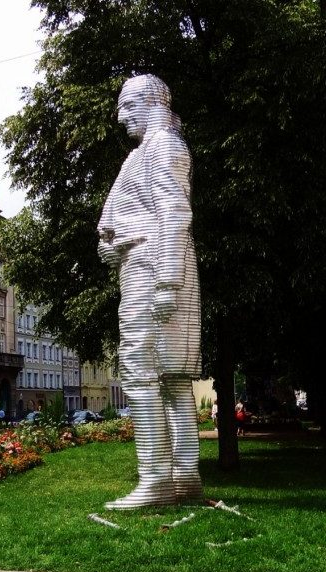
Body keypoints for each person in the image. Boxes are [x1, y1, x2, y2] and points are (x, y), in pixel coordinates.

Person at [97, 74, 201, 509]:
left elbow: (175, 212)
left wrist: (167, 282)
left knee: (141, 372)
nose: (121, 117)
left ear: (152, 101)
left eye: (127, 105)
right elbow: (117, 219)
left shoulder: (163, 146)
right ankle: (185, 477)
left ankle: (156, 480)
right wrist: (110, 243)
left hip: (153, 264)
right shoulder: (142, 153)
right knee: (173, 378)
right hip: (148, 261)